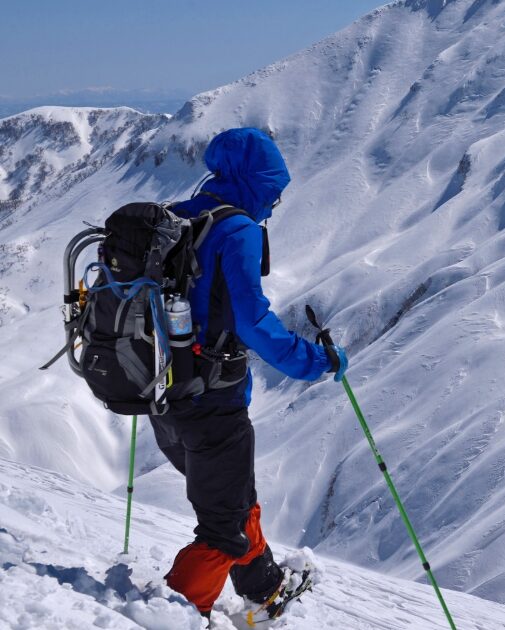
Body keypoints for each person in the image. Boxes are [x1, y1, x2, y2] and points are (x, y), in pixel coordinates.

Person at [149, 127, 348, 619]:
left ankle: (265, 587)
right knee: (224, 527)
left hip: (164, 396)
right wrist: (316, 361)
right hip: (212, 400)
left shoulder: (178, 217)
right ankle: (169, 616)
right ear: (254, 182)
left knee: (234, 500)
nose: (274, 206)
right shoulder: (235, 230)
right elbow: (252, 321)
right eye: (271, 191)